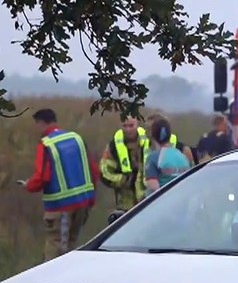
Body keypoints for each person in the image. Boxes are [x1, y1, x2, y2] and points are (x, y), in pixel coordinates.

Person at [22, 108, 98, 261]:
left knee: (55, 252)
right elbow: (93, 171)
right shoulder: (76, 138)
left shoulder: (46, 144)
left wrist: (28, 185)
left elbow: (42, 177)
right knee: (72, 245)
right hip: (83, 203)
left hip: (60, 208)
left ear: (40, 123)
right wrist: (91, 199)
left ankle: (51, 282)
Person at [100, 114, 148, 211]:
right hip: (125, 205)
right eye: (124, 126)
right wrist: (124, 180)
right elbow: (104, 171)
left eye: (131, 125)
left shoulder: (149, 141)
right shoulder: (112, 146)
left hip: (148, 200)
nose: (128, 130)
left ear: (137, 124)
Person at [144, 116, 192, 195]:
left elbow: (153, 189)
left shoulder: (153, 158)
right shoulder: (182, 156)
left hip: (165, 204)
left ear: (152, 135)